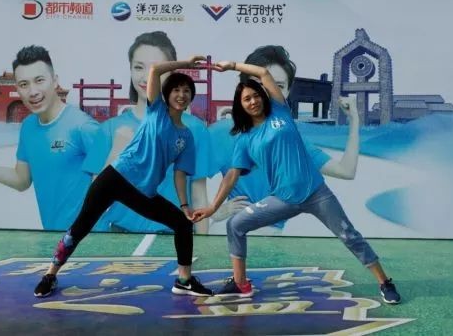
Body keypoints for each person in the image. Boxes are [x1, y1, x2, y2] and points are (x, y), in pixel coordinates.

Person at [193, 58, 402, 304]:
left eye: (256, 95)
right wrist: (213, 207)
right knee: (235, 224)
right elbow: (231, 176)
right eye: (246, 99)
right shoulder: (244, 138)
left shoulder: (280, 111)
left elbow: (263, 73)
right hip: (282, 199)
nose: (253, 101)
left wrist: (232, 66)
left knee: (349, 235)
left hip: (316, 193)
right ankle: (240, 283)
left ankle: (384, 281)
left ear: (263, 96)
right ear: (240, 105)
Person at [33, 56, 213, 298]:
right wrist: (186, 64)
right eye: (176, 90)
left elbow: (180, 174)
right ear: (167, 94)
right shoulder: (156, 111)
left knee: (182, 224)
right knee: (81, 226)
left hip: (143, 191)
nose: (181, 95)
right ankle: (50, 274)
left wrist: (184, 206)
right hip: (115, 178)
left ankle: (184, 280)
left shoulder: (187, 136)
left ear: (191, 97)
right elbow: (155, 69)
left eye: (187, 91)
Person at [0, 45, 106, 230]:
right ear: (17, 88)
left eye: (39, 80)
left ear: (55, 81)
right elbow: (21, 181)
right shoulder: (29, 127)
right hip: (53, 235)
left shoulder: (83, 126)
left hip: (91, 239)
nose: (33, 91)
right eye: (24, 84)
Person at [100, 31, 215, 234]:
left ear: (171, 72)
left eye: (157, 68)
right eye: (138, 67)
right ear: (130, 69)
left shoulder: (195, 129)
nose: (146, 76)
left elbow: (198, 194)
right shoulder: (110, 128)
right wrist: (117, 150)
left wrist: (202, 241)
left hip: (171, 233)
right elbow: (98, 193)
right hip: (119, 235)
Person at [209, 45, 301, 234]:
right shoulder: (221, 133)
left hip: (273, 235)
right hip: (229, 230)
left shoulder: (290, 136)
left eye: (278, 86)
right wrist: (215, 213)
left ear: (288, 91)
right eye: (258, 84)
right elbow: (192, 185)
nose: (266, 93)